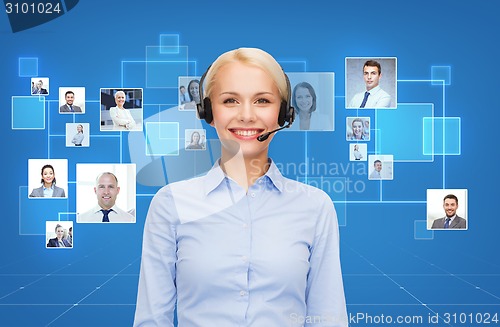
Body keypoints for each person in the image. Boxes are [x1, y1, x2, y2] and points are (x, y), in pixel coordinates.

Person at [134, 48, 347, 326]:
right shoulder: (171, 204)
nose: (246, 116)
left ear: (283, 113)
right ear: (208, 112)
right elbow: (152, 319)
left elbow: (328, 318)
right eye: (230, 100)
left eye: (262, 100)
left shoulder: (315, 206)